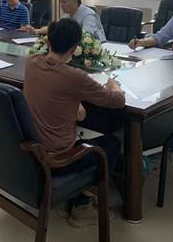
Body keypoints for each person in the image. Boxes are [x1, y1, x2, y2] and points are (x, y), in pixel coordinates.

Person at [24, 18, 125, 227]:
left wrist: (74, 102)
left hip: (31, 150)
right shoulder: (74, 76)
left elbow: (53, 92)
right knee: (113, 143)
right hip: (56, 158)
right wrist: (113, 85)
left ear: (48, 42)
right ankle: (83, 206)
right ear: (74, 48)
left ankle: (75, 196)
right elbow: (117, 101)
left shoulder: (31, 62)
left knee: (86, 128)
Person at [27, 0, 106, 42]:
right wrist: (36, 31)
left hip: (97, 48)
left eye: (64, 2)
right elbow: (54, 28)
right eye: (60, 2)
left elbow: (86, 35)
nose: (61, 5)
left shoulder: (88, 15)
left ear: (75, 1)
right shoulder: (67, 15)